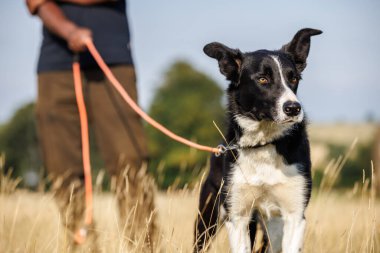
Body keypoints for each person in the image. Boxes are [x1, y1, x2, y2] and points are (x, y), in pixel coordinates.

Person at [26, 0, 156, 251]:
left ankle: (144, 246)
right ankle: (82, 245)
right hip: (55, 65)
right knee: (61, 167)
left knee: (130, 161)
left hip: (113, 61)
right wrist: (68, 30)